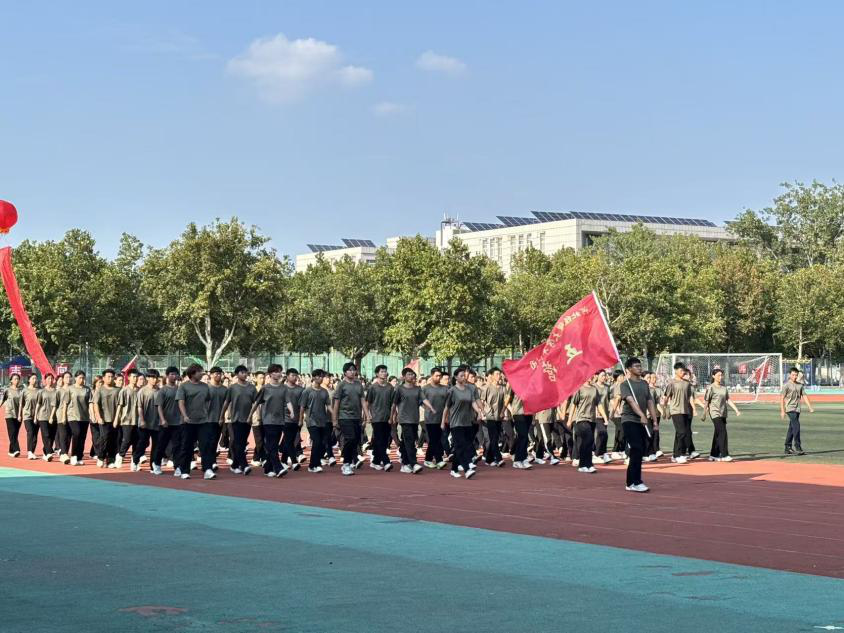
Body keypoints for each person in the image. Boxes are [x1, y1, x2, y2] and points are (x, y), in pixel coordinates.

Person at [618, 358, 658, 492]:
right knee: (636, 447)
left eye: (640, 366)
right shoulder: (625, 385)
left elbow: (650, 401)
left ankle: (631, 482)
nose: (639, 368)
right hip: (629, 420)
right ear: (629, 369)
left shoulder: (644, 384)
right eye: (636, 366)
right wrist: (641, 415)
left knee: (639, 450)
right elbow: (631, 401)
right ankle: (635, 482)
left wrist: (655, 420)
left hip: (642, 421)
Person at [442, 366, 484, 479]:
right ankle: (467, 469)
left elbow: (473, 402)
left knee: (462, 446)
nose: (464, 377)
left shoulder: (469, 390)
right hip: (456, 423)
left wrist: (479, 412)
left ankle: (454, 469)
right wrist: (443, 421)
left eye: (464, 376)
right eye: (461, 376)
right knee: (461, 445)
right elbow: (446, 407)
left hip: (467, 422)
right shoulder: (452, 391)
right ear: (456, 377)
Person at [391, 367, 435, 474]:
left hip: (414, 418)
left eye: (412, 374)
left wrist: (431, 407)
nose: (411, 376)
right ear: (404, 377)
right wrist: (391, 417)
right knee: (410, 441)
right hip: (404, 419)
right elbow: (394, 404)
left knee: (407, 441)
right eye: (409, 374)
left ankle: (405, 463)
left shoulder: (418, 389)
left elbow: (424, 399)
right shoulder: (399, 389)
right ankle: (413, 463)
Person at [176, 363, 215, 480]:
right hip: (188, 422)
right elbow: (181, 402)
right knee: (186, 447)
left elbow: (208, 400)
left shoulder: (205, 386)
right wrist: (185, 416)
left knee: (206, 446)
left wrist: (205, 412)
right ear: (192, 373)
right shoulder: (183, 386)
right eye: (199, 372)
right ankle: (184, 470)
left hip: (203, 421)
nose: (202, 373)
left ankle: (207, 469)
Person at [248, 364, 288, 478]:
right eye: (276, 371)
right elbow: (256, 403)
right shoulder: (265, 388)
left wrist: (291, 411)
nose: (278, 374)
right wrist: (250, 416)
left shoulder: (283, 388)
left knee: (273, 445)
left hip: (280, 420)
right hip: (268, 420)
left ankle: (267, 468)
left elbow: (287, 401)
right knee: (272, 445)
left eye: (280, 371)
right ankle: (278, 467)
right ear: (270, 374)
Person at [331, 362, 369, 476]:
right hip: (344, 416)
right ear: (345, 372)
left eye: (354, 370)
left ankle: (352, 460)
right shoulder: (341, 385)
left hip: (356, 417)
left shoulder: (358, 385)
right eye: (350, 370)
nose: (352, 372)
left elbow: (363, 400)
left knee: (356, 440)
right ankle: (346, 464)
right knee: (350, 438)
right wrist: (334, 420)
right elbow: (336, 403)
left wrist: (367, 415)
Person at [568, 373, 609, 473]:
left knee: (588, 442)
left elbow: (599, 404)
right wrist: (570, 419)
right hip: (581, 419)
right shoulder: (579, 389)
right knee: (588, 439)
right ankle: (585, 464)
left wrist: (605, 417)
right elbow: (573, 404)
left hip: (592, 419)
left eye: (592, 375)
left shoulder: (594, 389)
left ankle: (586, 464)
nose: (591, 377)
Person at [699, 368, 741, 462]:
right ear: (713, 376)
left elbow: (728, 400)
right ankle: (725, 454)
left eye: (721, 375)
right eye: (718, 375)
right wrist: (704, 413)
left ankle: (713, 455)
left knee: (717, 433)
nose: (720, 377)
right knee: (722, 432)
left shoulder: (724, 388)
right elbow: (707, 401)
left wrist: (736, 410)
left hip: (723, 413)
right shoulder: (711, 388)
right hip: (714, 412)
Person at [220, 365, 256, 475]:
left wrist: (252, 415)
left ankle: (235, 465)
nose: (245, 374)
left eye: (246, 372)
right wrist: (222, 416)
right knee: (238, 442)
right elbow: (226, 402)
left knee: (242, 443)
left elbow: (255, 402)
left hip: (248, 419)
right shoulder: (232, 388)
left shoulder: (252, 388)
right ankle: (244, 465)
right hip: (236, 419)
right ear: (237, 374)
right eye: (242, 372)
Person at [662, 362, 698, 464]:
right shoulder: (671, 383)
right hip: (675, 410)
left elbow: (690, 397)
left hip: (685, 410)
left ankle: (675, 455)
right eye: (681, 370)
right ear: (676, 371)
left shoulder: (687, 383)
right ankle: (678, 455)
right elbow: (666, 397)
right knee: (681, 432)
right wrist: (665, 410)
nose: (683, 372)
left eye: (684, 370)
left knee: (681, 433)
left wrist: (694, 409)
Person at [300, 369, 331, 473]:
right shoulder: (307, 391)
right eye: (319, 376)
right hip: (311, 421)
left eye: (322, 376)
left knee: (321, 443)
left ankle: (316, 463)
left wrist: (335, 414)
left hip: (323, 420)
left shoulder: (324, 391)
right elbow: (302, 407)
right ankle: (313, 465)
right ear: (313, 377)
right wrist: (301, 419)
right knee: (317, 441)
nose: (321, 378)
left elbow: (328, 405)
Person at [154, 366, 183, 476]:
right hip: (165, 423)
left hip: (177, 423)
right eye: (172, 374)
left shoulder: (180, 389)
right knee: (162, 445)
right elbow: (159, 406)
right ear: (167, 376)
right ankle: (157, 464)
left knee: (177, 446)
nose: (174, 376)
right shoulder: (163, 390)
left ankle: (177, 467)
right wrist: (162, 419)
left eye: (176, 374)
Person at [365, 365, 394, 471]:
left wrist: (393, 416)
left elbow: (393, 404)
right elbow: (367, 403)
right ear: (377, 374)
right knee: (380, 439)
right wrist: (367, 416)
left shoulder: (390, 387)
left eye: (385, 371)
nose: (384, 373)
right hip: (376, 418)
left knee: (384, 440)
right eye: (382, 371)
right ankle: (386, 461)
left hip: (387, 417)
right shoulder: (372, 387)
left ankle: (375, 461)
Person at [781, 366, 814, 455]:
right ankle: (798, 446)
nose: (794, 376)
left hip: (797, 409)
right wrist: (782, 411)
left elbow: (804, 396)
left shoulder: (800, 385)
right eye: (793, 375)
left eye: (796, 375)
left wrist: (810, 407)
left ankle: (787, 447)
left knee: (792, 428)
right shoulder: (786, 385)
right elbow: (782, 398)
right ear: (789, 375)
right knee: (796, 426)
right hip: (790, 409)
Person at [134, 369, 161, 472]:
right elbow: (139, 407)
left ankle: (153, 465)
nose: (155, 380)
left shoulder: (159, 391)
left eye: (156, 378)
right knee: (143, 443)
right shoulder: (142, 391)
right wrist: (142, 420)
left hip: (156, 423)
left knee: (156, 445)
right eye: (152, 377)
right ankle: (135, 461)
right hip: (145, 423)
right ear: (148, 378)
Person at [93, 368, 120, 468]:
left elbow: (120, 405)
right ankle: (101, 457)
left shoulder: (118, 390)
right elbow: (96, 404)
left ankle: (111, 460)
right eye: (108, 377)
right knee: (104, 439)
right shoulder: (100, 390)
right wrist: (98, 416)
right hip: (104, 419)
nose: (110, 378)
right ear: (103, 378)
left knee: (114, 440)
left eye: (112, 377)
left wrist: (118, 418)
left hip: (115, 419)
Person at [63, 370, 92, 466]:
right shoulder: (70, 389)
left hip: (84, 417)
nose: (82, 380)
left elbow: (90, 403)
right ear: (75, 378)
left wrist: (92, 415)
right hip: (73, 416)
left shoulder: (87, 389)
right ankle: (74, 456)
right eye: (80, 378)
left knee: (82, 437)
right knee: (77, 433)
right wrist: (63, 416)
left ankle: (79, 457)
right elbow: (65, 403)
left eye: (83, 378)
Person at [115, 369, 141, 468]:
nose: (135, 379)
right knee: (127, 440)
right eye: (133, 377)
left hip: (138, 420)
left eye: (136, 377)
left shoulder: (140, 390)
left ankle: (134, 462)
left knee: (137, 442)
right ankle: (120, 456)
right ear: (129, 378)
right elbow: (119, 406)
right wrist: (116, 419)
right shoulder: (124, 391)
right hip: (126, 420)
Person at [481, 367, 506, 467]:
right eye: (496, 374)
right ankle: (499, 458)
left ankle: (488, 459)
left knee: (495, 437)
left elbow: (505, 402)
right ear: (491, 376)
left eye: (499, 374)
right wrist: (482, 412)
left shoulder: (503, 388)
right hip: (489, 416)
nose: (499, 376)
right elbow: (482, 401)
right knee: (494, 437)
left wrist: (503, 412)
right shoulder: (486, 387)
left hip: (499, 416)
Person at [504, 383, 532, 470]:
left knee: (524, 436)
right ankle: (518, 460)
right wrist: (509, 410)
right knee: (523, 436)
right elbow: (507, 398)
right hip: (518, 412)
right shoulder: (514, 383)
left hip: (529, 412)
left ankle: (522, 458)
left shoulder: (531, 383)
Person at [281, 368, 304, 472]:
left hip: (296, 419)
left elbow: (302, 406)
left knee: (289, 440)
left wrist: (301, 419)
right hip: (284, 419)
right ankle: (294, 461)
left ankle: (283, 461)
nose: (295, 377)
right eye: (292, 375)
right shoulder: (282, 389)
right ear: (287, 376)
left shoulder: (300, 390)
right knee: (289, 440)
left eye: (296, 375)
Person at [207, 367, 229, 472]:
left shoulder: (224, 389)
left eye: (220, 374)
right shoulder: (206, 388)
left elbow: (226, 404)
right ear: (211, 375)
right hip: (207, 419)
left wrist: (221, 417)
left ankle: (212, 461)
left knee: (215, 441)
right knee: (208, 442)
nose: (218, 375)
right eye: (216, 373)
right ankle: (209, 462)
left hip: (219, 419)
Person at [35, 373, 60, 461]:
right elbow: (38, 404)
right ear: (45, 380)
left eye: (51, 379)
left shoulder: (56, 392)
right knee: (46, 435)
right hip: (43, 416)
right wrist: (35, 416)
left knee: (52, 436)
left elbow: (57, 405)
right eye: (48, 378)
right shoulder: (41, 392)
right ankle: (49, 452)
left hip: (54, 417)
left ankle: (46, 452)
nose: (50, 380)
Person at [19, 374, 41, 460]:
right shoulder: (24, 391)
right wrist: (19, 415)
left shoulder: (39, 391)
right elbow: (21, 404)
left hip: (37, 415)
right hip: (27, 415)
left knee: (35, 434)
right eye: (33, 378)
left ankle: (32, 452)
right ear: (29, 380)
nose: (35, 380)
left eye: (36, 378)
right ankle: (29, 452)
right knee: (30, 432)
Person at [3, 373, 23, 458]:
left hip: (18, 414)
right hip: (9, 414)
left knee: (15, 433)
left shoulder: (21, 391)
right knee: (12, 432)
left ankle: (11, 451)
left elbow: (22, 404)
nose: (16, 380)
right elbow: (2, 400)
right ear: (11, 380)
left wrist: (20, 415)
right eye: (15, 379)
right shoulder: (7, 390)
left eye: (18, 379)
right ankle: (16, 449)